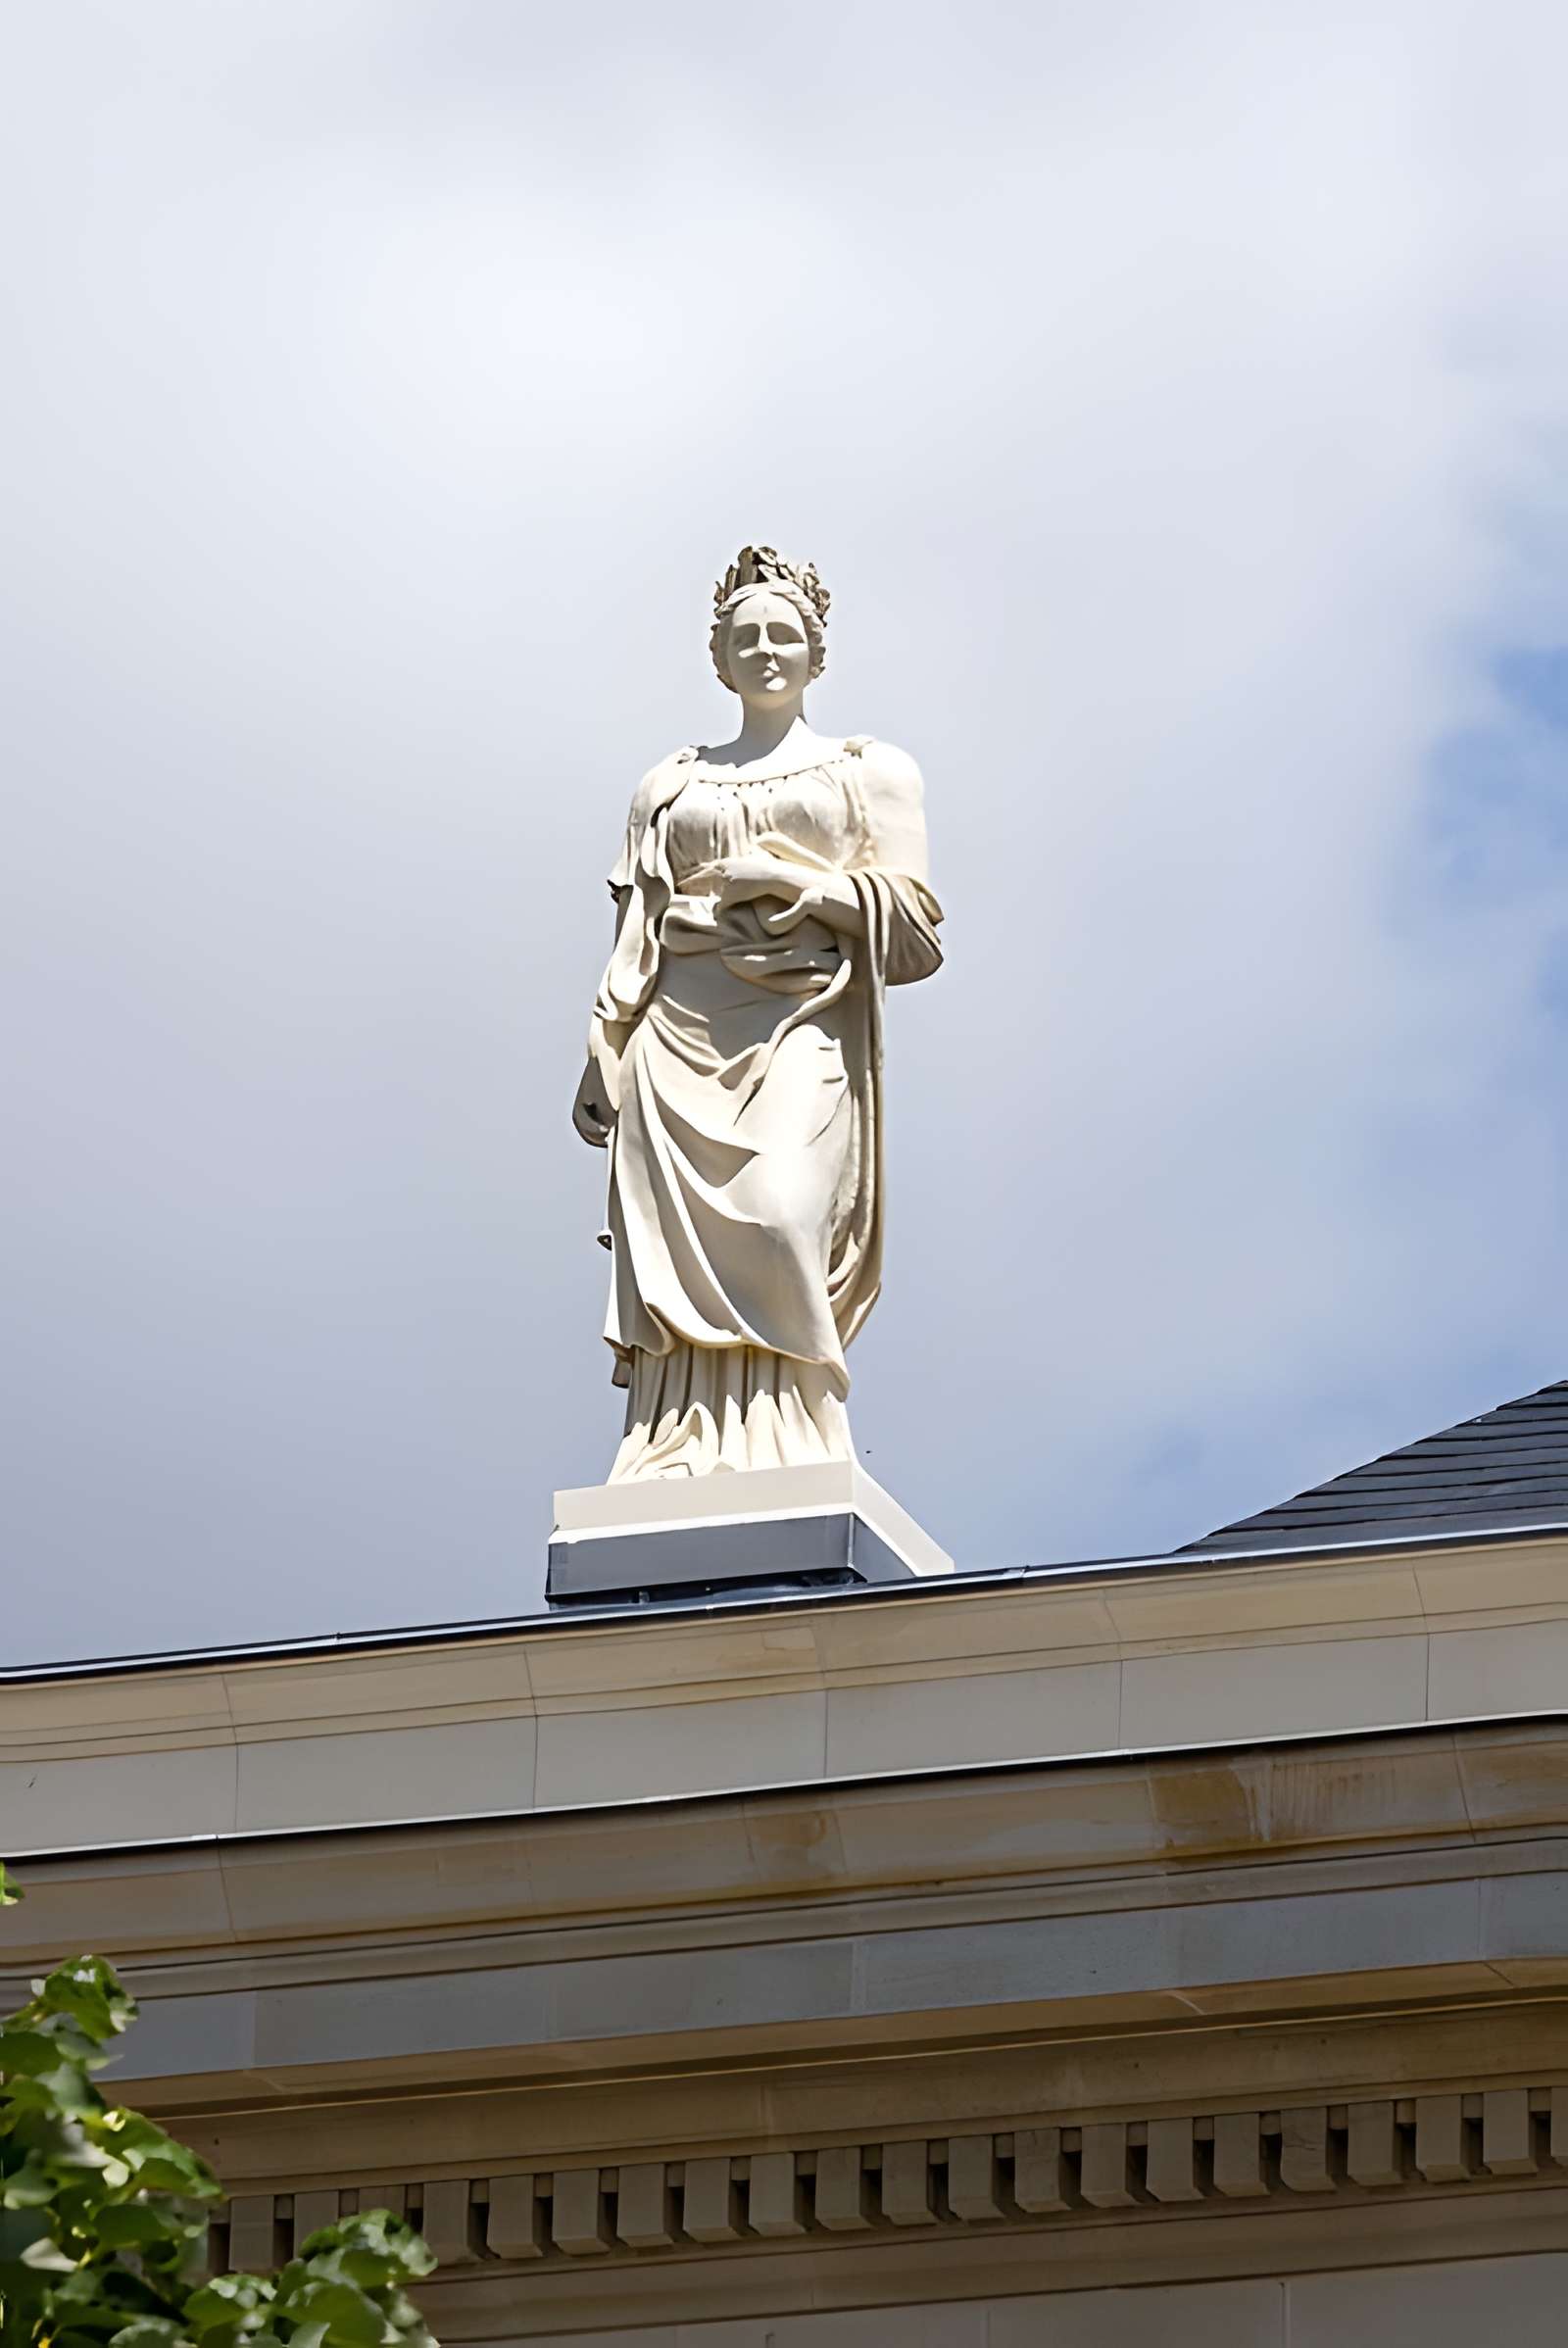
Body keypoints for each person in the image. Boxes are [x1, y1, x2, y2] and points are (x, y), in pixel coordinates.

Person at [571, 546, 943, 1480]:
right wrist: (602, 1046)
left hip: (800, 1025)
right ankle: (677, 1444)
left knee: (780, 1217)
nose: (766, 650)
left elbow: (917, 936)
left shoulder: (870, 771)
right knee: (672, 1251)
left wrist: (797, 883)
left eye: (784, 635)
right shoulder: (672, 784)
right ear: (720, 658)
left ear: (816, 653)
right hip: (676, 1029)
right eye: (747, 638)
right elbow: (636, 931)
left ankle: (795, 1430)